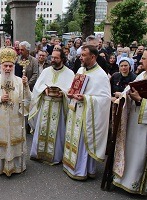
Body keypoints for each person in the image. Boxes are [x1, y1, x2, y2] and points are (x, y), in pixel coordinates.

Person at [112, 47, 147, 195]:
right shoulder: (142, 75)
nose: (140, 60)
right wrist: (123, 96)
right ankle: (122, 179)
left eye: (144, 58)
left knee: (140, 154)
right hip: (133, 121)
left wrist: (141, 100)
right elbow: (128, 91)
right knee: (130, 152)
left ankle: (136, 184)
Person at [63, 45, 111, 180]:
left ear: (93, 57)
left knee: (82, 142)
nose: (80, 57)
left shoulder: (101, 75)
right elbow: (75, 87)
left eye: (84, 55)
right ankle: (70, 166)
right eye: (81, 55)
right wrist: (70, 92)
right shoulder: (80, 69)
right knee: (73, 139)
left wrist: (86, 98)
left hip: (87, 114)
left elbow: (105, 99)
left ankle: (82, 170)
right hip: (75, 110)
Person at [0, 47, 31, 176]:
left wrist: (26, 87)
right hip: (0, 120)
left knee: (15, 142)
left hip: (16, 118)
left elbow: (28, 100)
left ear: (14, 66)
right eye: (5, 66)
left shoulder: (20, 82)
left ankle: (17, 166)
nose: (7, 68)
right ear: (0, 66)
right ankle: (0, 167)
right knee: (3, 143)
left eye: (10, 66)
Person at [29, 49, 75, 165]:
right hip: (45, 104)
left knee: (57, 131)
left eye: (56, 58)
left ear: (62, 59)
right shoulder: (46, 71)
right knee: (42, 127)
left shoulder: (69, 73)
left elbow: (71, 90)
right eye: (52, 58)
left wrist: (63, 92)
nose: (53, 60)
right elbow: (37, 87)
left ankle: (54, 156)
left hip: (59, 107)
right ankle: (38, 154)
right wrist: (44, 89)